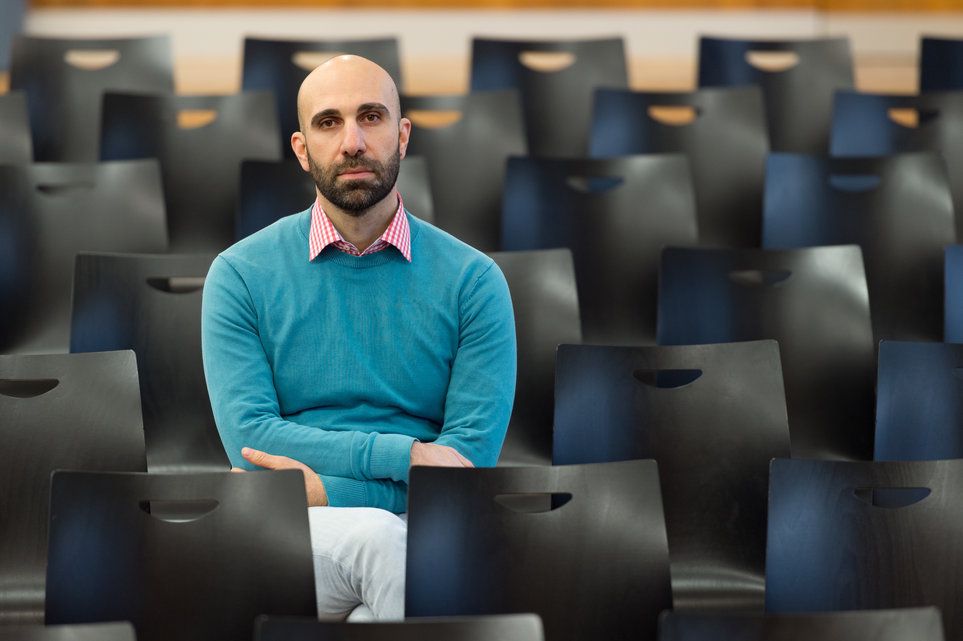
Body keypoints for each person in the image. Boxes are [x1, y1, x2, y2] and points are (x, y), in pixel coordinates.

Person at [200, 54, 517, 620]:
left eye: (371, 117)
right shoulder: (239, 274)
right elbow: (251, 440)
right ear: (302, 150)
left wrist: (330, 490)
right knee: (379, 541)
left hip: (426, 523)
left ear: (403, 136)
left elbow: (464, 468)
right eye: (329, 122)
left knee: (376, 603)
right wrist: (406, 455)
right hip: (291, 527)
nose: (352, 142)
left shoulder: (474, 281)